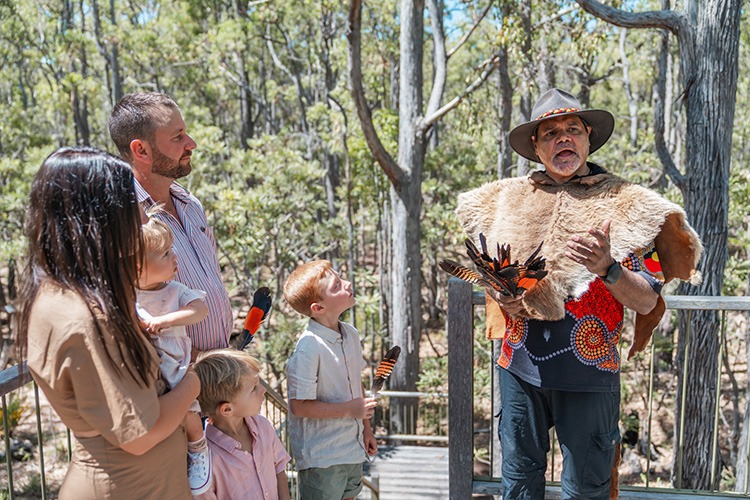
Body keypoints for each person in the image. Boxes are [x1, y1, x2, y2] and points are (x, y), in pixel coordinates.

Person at [456, 88, 702, 499]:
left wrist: (607, 268)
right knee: (518, 484)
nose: (562, 138)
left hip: (590, 375)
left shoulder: (629, 206)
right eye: (550, 133)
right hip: (519, 367)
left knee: (587, 490)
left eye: (572, 129)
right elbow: (488, 272)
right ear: (536, 147)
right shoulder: (505, 202)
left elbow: (646, 301)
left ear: (589, 137)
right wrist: (502, 296)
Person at [16, 147, 200, 499]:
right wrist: (196, 378)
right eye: (131, 201)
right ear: (98, 218)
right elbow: (140, 433)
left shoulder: (63, 293)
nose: (145, 214)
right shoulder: (87, 317)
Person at [109, 92, 232, 352]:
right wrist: (202, 365)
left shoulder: (191, 204)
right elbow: (125, 319)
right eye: (177, 137)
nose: (191, 143)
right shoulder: (124, 220)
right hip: (178, 380)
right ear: (141, 150)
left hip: (220, 368)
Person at [284, 260, 378, 500]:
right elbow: (298, 405)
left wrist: (366, 430)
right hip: (323, 457)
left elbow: (356, 385)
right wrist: (349, 410)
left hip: (353, 449)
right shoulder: (308, 347)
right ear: (318, 308)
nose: (347, 284)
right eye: (337, 285)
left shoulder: (351, 334)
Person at [136, 212, 212, 494]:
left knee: (186, 409)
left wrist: (164, 321)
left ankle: (198, 446)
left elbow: (199, 310)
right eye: (165, 253)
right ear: (138, 266)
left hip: (176, 364)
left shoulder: (175, 290)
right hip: (148, 372)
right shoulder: (129, 296)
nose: (174, 257)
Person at [192, 349, 291, 500]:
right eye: (254, 389)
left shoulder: (263, 427)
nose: (263, 390)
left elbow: (279, 467)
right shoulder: (208, 460)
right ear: (227, 409)